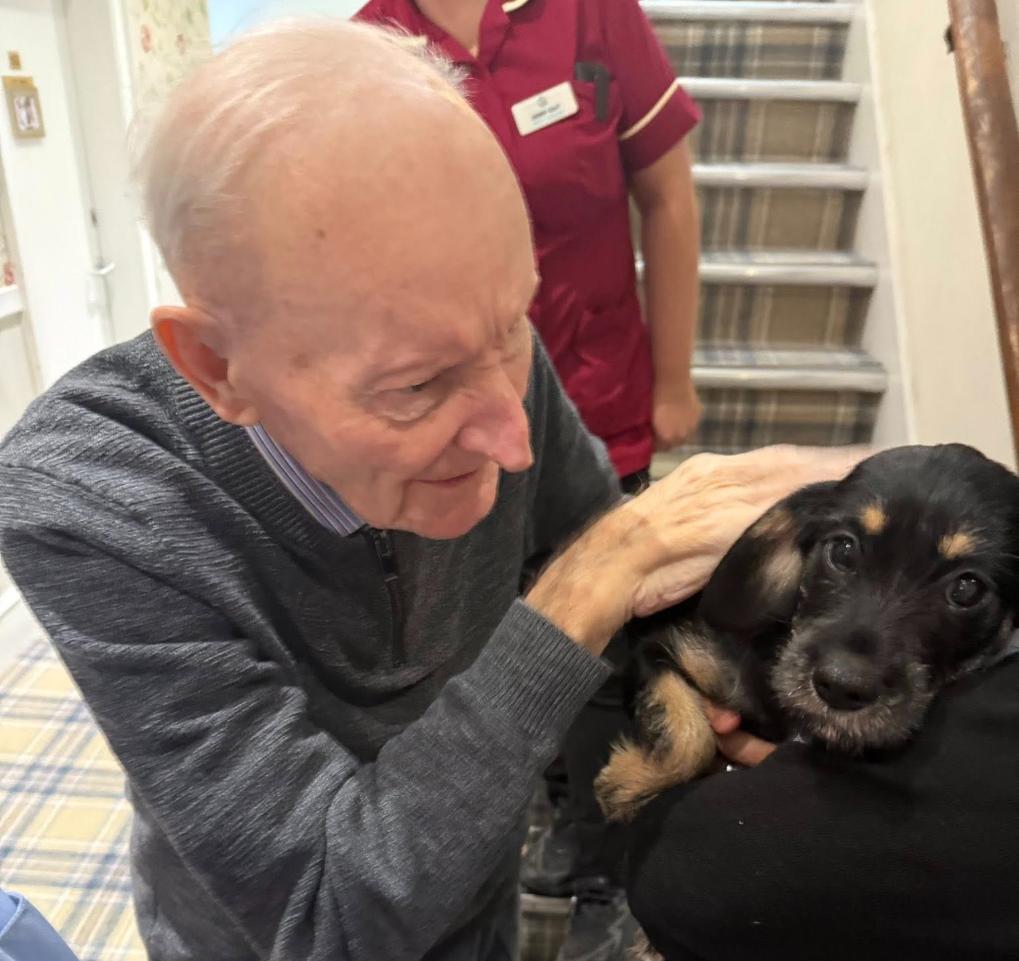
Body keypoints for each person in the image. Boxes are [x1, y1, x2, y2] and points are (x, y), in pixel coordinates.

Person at [0, 21, 860, 961]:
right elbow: (327, 910)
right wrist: (593, 577)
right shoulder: (95, 498)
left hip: (475, 893)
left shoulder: (471, 346)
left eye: (512, 320)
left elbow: (583, 541)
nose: (511, 433)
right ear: (216, 365)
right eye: (414, 386)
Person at [353, 1, 702, 942]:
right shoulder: (369, 41)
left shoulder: (590, 16)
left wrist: (673, 375)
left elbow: (667, 195)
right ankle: (554, 807)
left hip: (595, 402)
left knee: (593, 646)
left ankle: (604, 869)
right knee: (487, 635)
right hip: (449, 429)